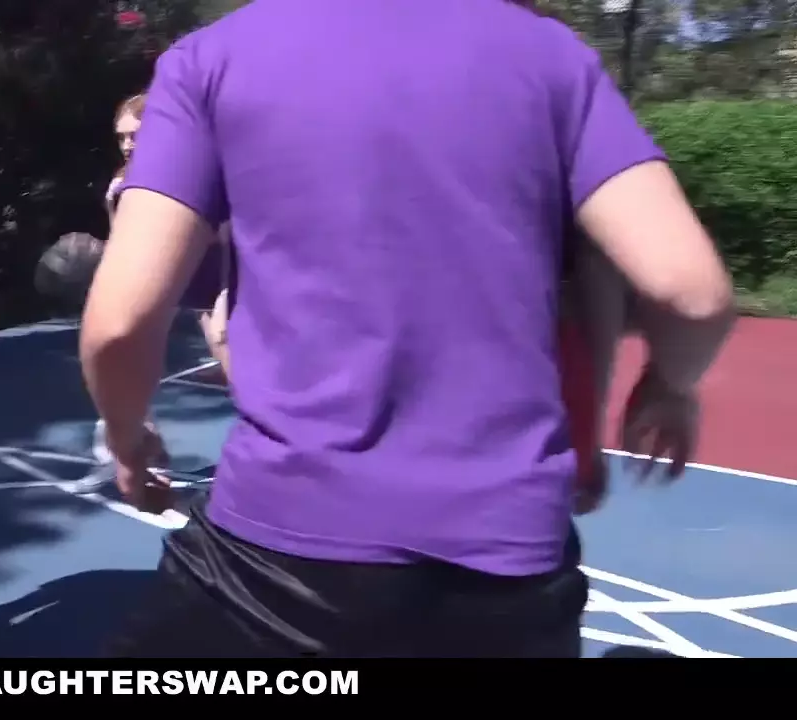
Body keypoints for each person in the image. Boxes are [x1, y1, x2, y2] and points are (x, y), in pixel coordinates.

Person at [80, 0, 734, 657]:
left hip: (279, 561)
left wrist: (128, 441)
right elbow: (694, 295)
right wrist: (670, 386)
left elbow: (120, 324)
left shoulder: (211, 59)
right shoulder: (549, 55)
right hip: (508, 564)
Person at [88, 93, 234, 474]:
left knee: (226, 346)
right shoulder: (121, 182)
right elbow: (121, 239)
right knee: (126, 348)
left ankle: (272, 440)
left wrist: (225, 289)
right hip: (161, 281)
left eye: (135, 134)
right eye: (121, 137)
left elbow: (223, 236)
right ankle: (144, 440)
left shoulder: (188, 172)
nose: (127, 144)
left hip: (208, 276)